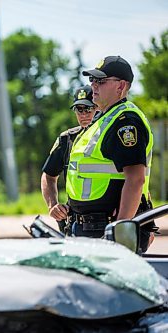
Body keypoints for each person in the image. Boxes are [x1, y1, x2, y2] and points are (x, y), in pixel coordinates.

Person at [66, 55, 156, 252]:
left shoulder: (125, 121)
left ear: (121, 86)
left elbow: (136, 179)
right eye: (92, 80)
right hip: (91, 226)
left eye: (101, 81)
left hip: (108, 228)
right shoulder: (104, 118)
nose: (93, 86)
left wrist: (121, 230)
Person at [41, 85, 97, 234]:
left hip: (111, 220)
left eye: (88, 109)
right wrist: (53, 205)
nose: (84, 114)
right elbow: (48, 175)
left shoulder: (111, 135)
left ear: (99, 107)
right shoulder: (67, 139)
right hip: (77, 224)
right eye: (79, 109)